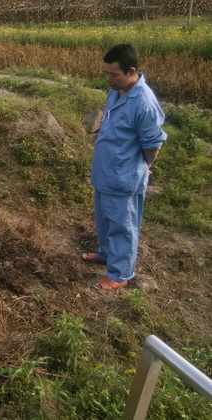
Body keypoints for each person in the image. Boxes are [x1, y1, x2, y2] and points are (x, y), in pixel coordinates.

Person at [83, 44, 167, 291]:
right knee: (105, 217)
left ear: (131, 71)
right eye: (106, 73)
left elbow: (152, 145)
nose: (108, 79)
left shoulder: (144, 103)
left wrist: (143, 166)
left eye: (113, 74)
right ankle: (107, 253)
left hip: (124, 175)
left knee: (122, 225)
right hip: (106, 171)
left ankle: (120, 274)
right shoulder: (116, 90)